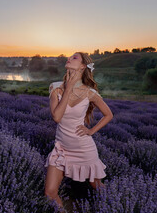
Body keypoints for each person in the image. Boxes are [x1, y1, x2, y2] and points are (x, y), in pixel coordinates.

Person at [44, 52, 114, 210]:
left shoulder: (90, 93)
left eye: (74, 58)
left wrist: (91, 131)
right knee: (50, 192)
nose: (69, 58)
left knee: (96, 184)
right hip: (61, 149)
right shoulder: (55, 88)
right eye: (69, 57)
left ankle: (118, 205)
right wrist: (68, 88)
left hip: (83, 148)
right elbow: (57, 117)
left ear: (83, 66)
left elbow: (108, 115)